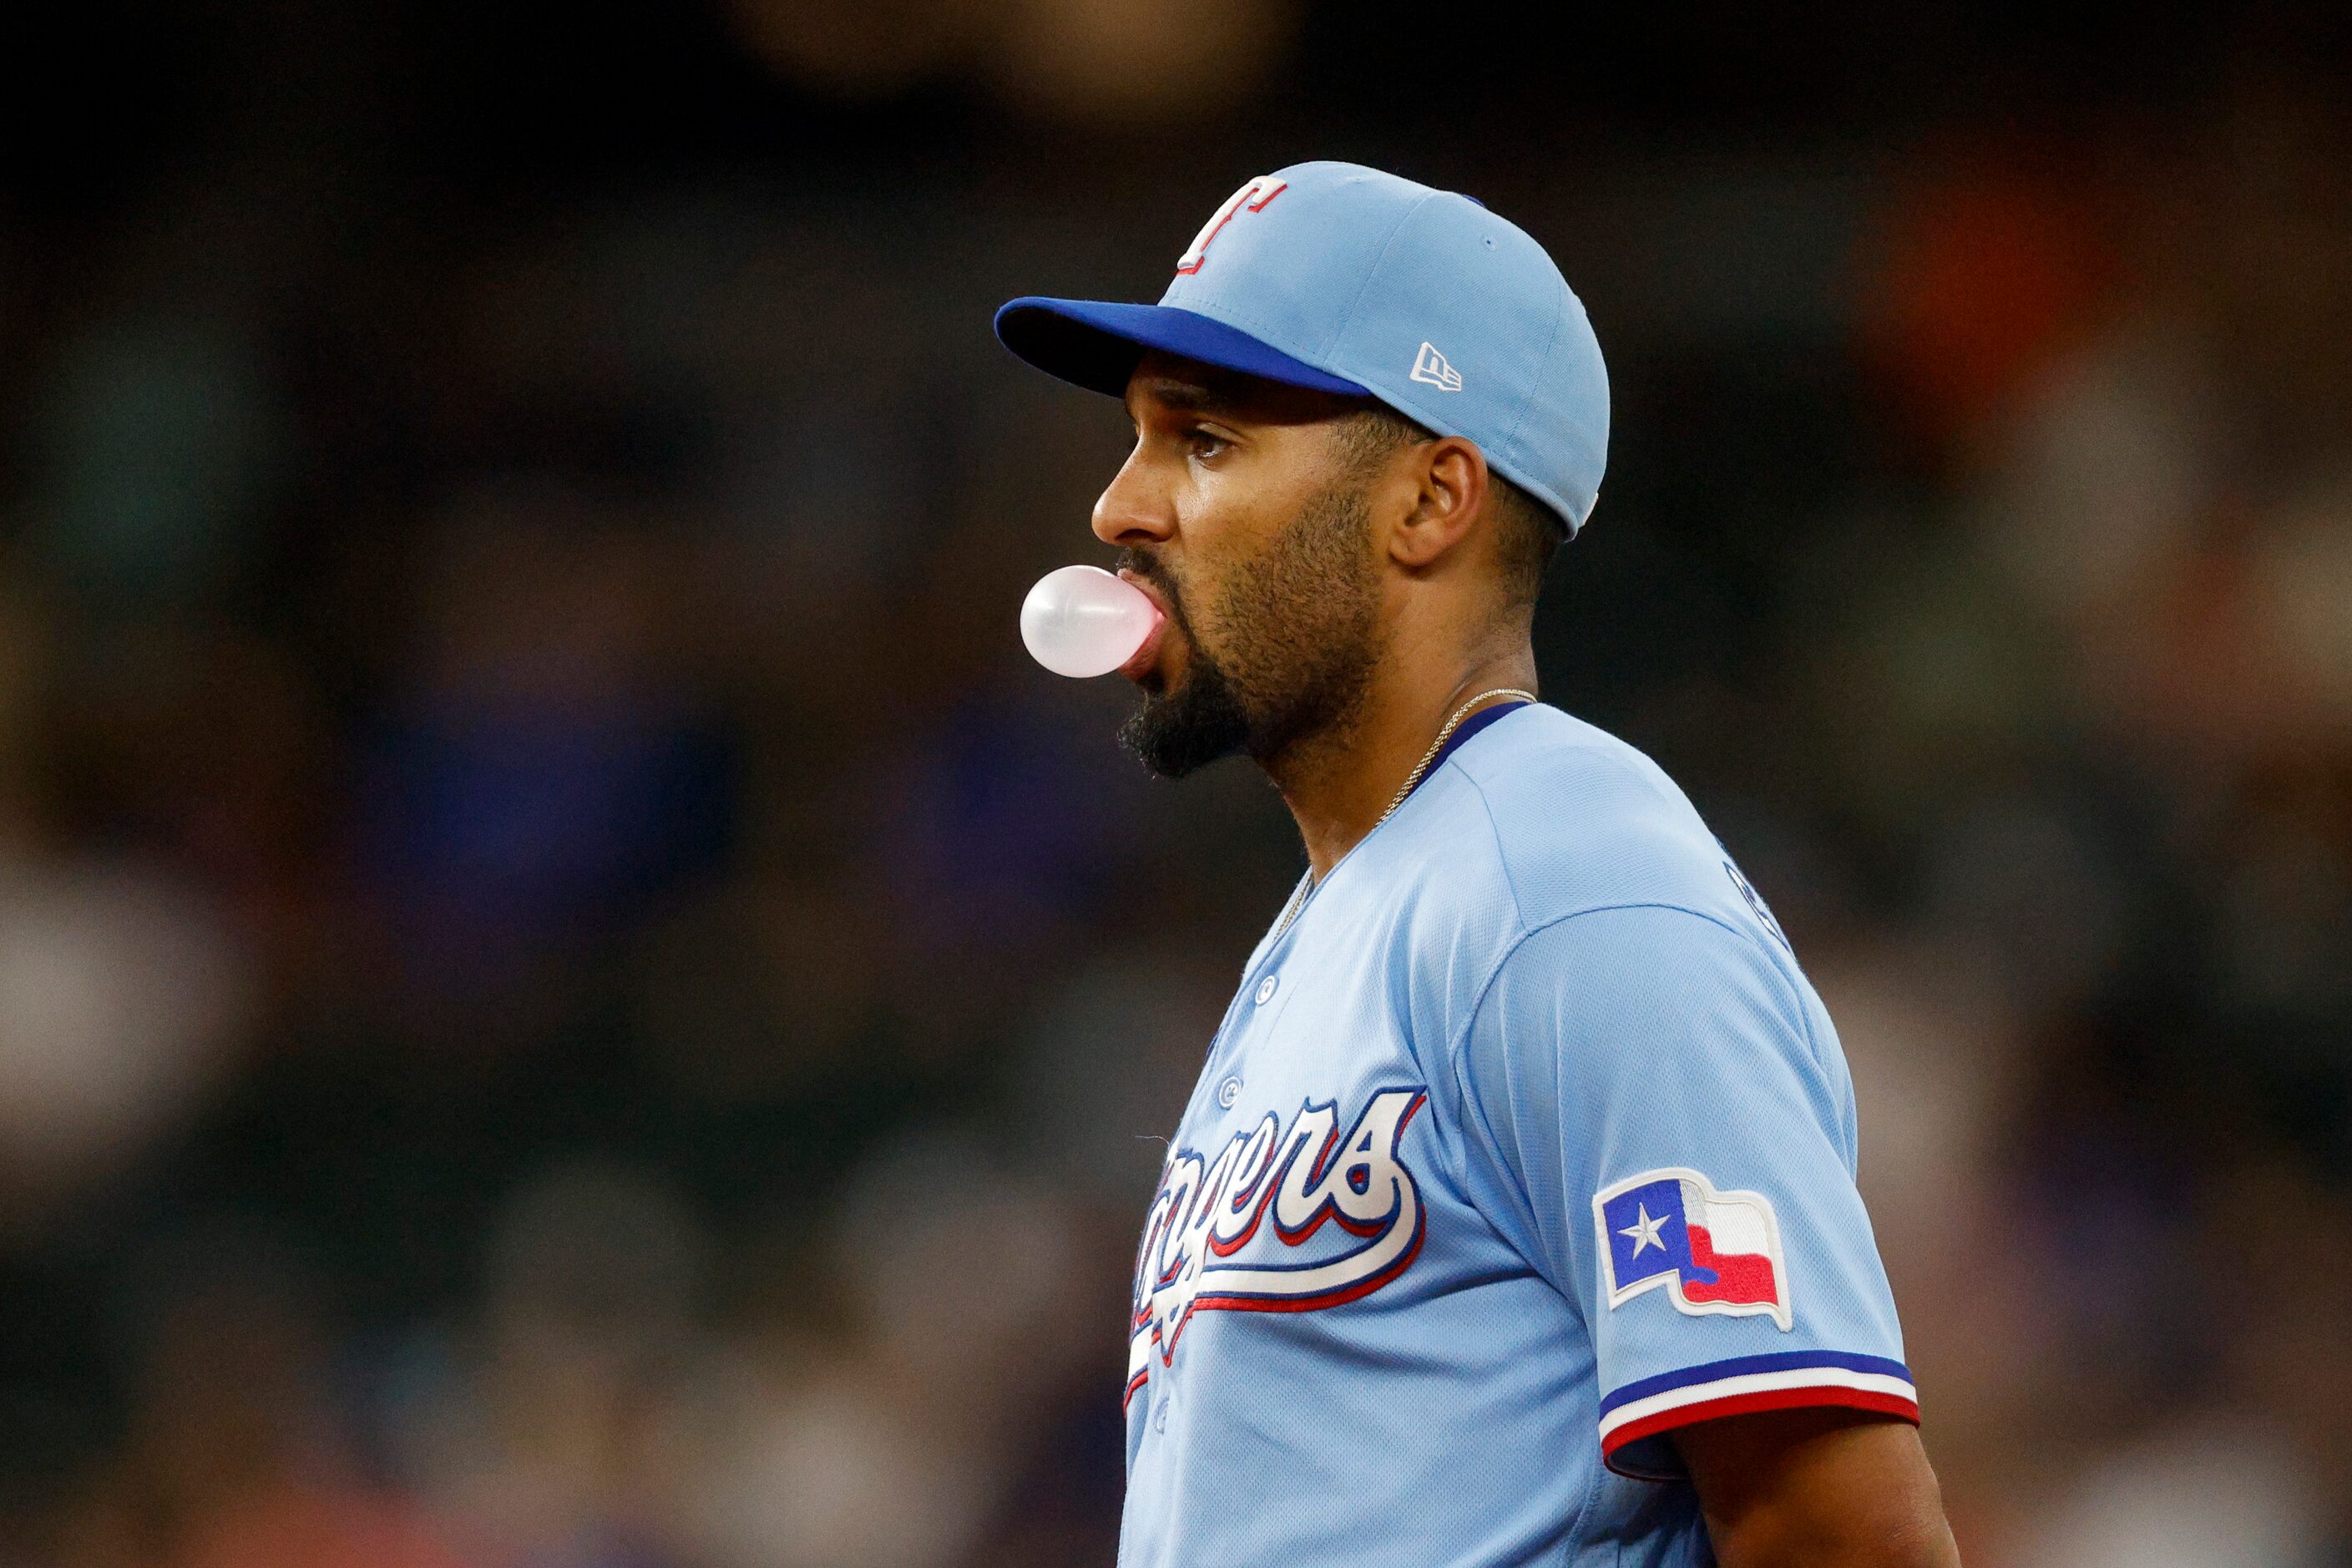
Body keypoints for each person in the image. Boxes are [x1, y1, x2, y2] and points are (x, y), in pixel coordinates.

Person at [993, 162, 1958, 1567]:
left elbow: (1839, 1526)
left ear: (1429, 500)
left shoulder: (1566, 882)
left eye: (1201, 441)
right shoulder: (1345, 918)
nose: (1119, 508)